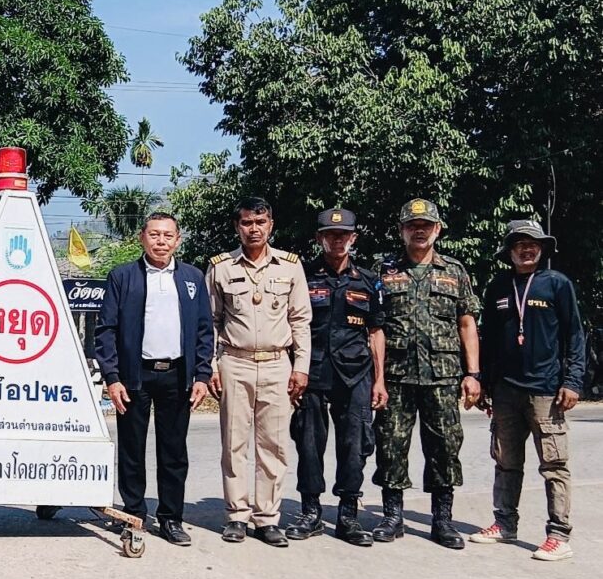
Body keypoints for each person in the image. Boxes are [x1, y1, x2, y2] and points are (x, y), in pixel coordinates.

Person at [95, 213, 214, 546]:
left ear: (178, 240)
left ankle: (171, 518)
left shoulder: (192, 277)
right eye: (154, 234)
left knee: (173, 452)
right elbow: (106, 330)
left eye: (168, 235)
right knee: (131, 448)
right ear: (142, 237)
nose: (161, 241)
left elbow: (204, 330)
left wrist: (202, 374)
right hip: (135, 376)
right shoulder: (122, 277)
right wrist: (112, 377)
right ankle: (134, 513)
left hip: (177, 376)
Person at [470, 220, 583, 561]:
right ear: (510, 251)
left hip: (547, 390)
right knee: (505, 460)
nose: (527, 249)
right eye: (520, 244)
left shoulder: (557, 284)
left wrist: (573, 381)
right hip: (506, 390)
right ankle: (505, 523)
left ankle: (559, 535)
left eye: (533, 243)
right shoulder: (498, 286)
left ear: (543, 249)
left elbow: (575, 335)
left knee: (554, 464)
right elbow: (489, 339)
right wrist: (484, 382)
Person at [372, 198, 481, 549]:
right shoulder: (383, 270)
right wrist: (376, 377)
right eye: (412, 226)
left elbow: (467, 323)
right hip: (396, 375)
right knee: (390, 445)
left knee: (445, 447)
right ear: (401, 231)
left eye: (426, 226)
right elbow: (375, 327)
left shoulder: (455, 270)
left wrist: (473, 373)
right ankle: (392, 516)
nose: (419, 231)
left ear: (437, 229)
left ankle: (442, 520)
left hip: (442, 376)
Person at [206, 198, 311, 547]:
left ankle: (267, 518)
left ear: (271, 225)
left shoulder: (290, 266)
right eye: (247, 223)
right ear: (237, 227)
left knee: (273, 445)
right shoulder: (221, 267)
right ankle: (237, 515)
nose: (254, 229)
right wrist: (211, 366)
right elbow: (211, 322)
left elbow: (300, 320)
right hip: (234, 362)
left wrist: (301, 367)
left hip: (277, 363)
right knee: (234, 443)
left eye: (260, 222)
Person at [285, 209, 387, 547]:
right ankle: (310, 512)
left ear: (353, 238)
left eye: (344, 234)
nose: (337, 239)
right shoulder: (302, 276)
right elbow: (291, 325)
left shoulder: (367, 280)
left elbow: (376, 331)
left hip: (355, 374)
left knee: (354, 445)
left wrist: (380, 381)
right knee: (309, 443)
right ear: (320, 238)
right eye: (331, 234)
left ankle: (348, 515)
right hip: (313, 372)